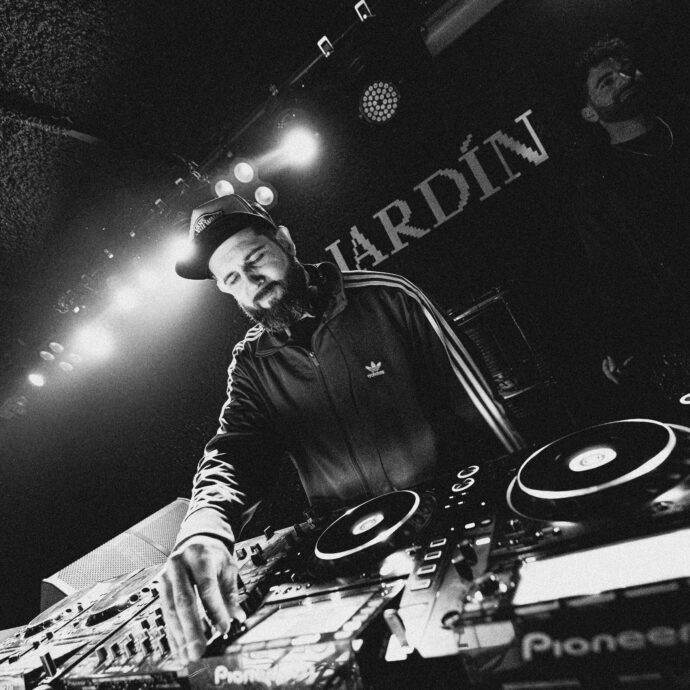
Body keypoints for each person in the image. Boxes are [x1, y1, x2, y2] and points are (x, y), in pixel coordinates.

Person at [160, 193, 523, 663]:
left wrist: (515, 526)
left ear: (285, 242)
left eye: (255, 260)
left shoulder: (390, 297)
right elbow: (233, 455)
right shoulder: (250, 364)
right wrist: (204, 530)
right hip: (349, 562)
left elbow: (482, 415)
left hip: (449, 533)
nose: (252, 283)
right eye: (232, 279)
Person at [572, 36, 690, 414]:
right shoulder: (599, 186)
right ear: (590, 112)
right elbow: (609, 272)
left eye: (626, 70)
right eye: (605, 82)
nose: (623, 79)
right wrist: (622, 344)